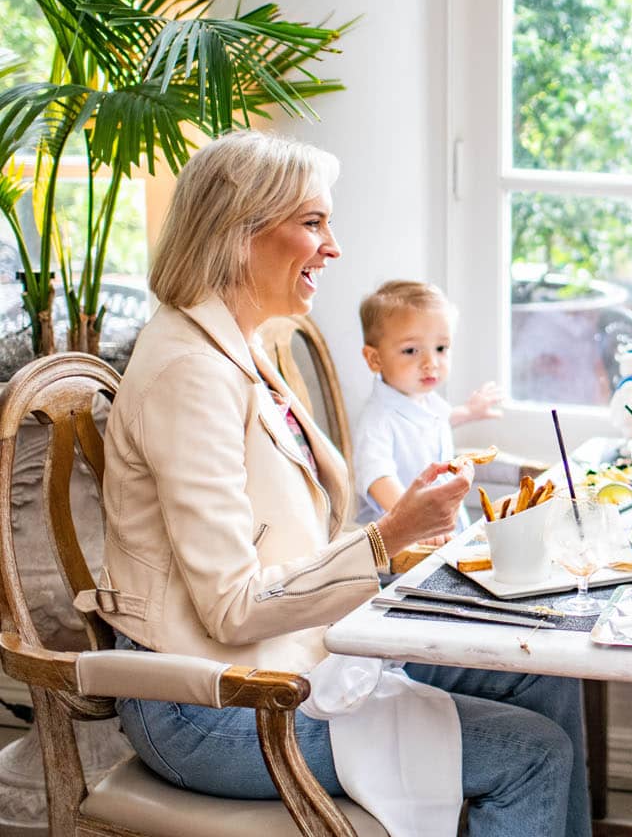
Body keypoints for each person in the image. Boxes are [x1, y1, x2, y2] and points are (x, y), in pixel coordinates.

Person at [85, 130, 589, 837]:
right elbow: (231, 607)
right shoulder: (189, 373)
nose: (334, 246)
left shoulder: (245, 349)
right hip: (209, 703)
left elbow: (287, 539)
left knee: (544, 674)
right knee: (530, 752)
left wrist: (403, 539)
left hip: (292, 655)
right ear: (239, 234)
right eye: (313, 222)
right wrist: (387, 541)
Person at [353, 279, 503, 538]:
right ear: (375, 358)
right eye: (411, 350)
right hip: (408, 546)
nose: (431, 362)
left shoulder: (425, 398)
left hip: (447, 528)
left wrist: (467, 412)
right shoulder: (377, 420)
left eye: (441, 348)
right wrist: (413, 522)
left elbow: (432, 423)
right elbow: (378, 477)